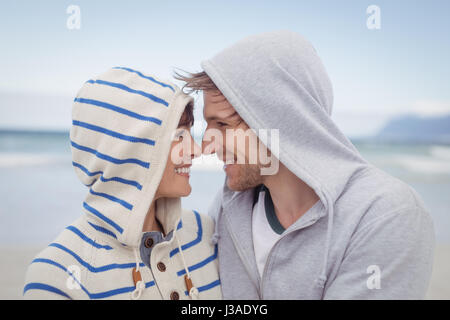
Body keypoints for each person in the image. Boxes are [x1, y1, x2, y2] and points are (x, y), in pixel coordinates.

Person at [177, 30, 435, 299]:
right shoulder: (228, 206)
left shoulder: (386, 216)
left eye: (223, 125)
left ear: (279, 119)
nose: (206, 145)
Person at [23, 67, 222, 300]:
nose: (196, 150)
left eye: (190, 133)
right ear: (130, 148)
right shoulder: (55, 275)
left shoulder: (205, 232)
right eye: (179, 136)